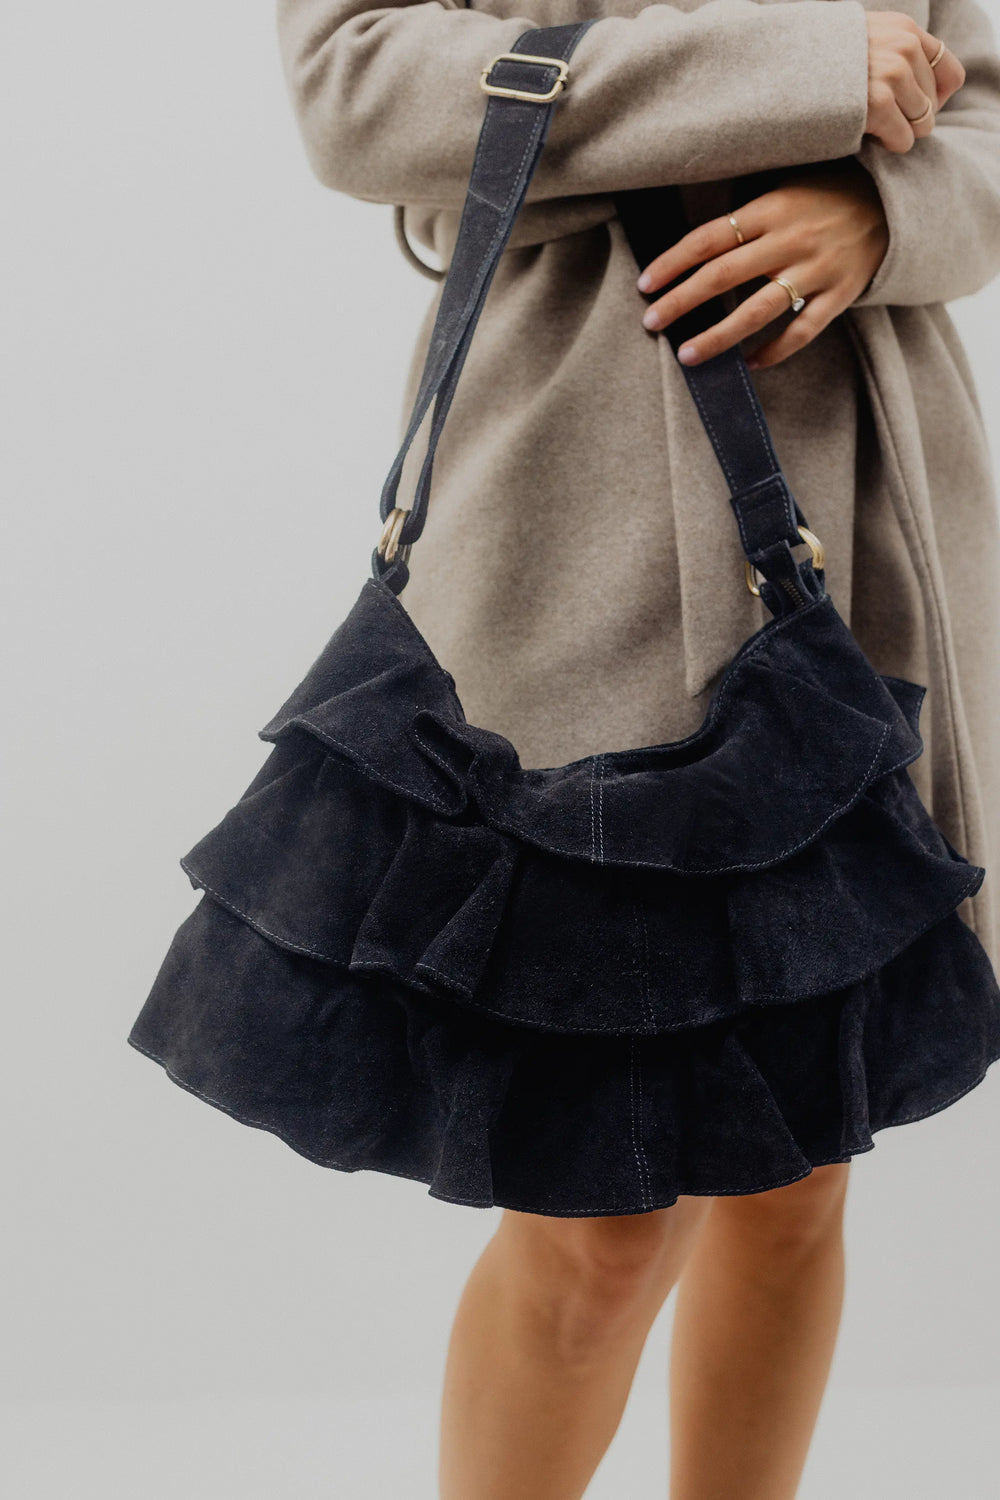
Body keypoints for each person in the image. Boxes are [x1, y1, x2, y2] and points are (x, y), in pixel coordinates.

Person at [266, 3, 1000, 1495]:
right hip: (566, 525)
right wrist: (793, 79)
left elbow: (977, 111)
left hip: (860, 500)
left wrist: (880, 208)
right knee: (594, 1220)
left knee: (798, 1183)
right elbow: (356, 92)